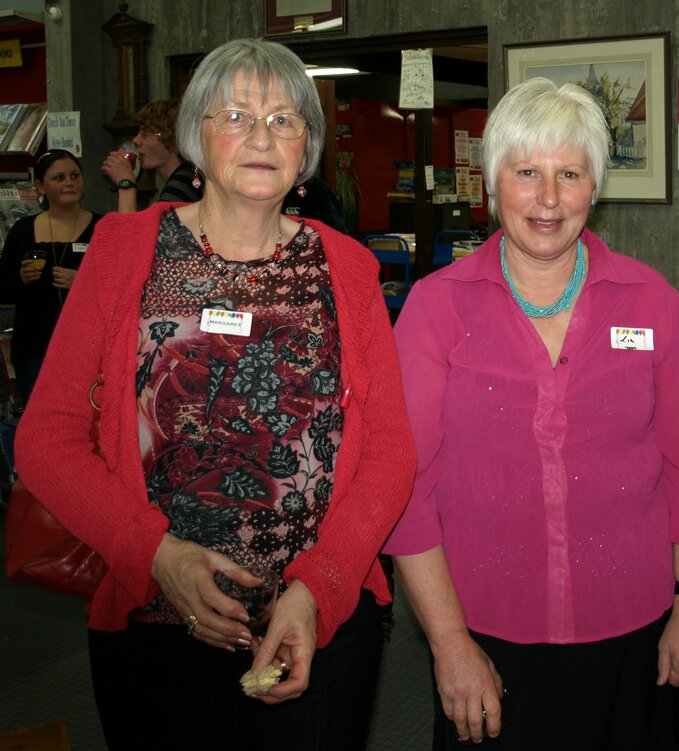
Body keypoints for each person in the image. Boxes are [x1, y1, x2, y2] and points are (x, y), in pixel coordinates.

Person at [16, 38, 416, 750]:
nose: (261, 136)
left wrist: (317, 588)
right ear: (194, 136)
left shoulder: (346, 266)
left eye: (285, 119)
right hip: (157, 623)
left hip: (316, 626)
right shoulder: (123, 248)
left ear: (307, 150)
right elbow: (45, 435)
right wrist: (157, 554)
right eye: (235, 115)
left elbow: (389, 451)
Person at [383, 76, 679, 750]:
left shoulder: (650, 303)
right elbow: (407, 489)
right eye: (526, 172)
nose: (547, 198)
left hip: (632, 631)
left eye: (569, 173)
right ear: (491, 181)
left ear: (595, 187)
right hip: (486, 634)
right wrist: (447, 644)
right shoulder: (436, 308)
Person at [0, 149, 102, 404]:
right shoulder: (23, 229)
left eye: (74, 176)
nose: (69, 183)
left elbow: (119, 287)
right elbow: (3, 289)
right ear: (40, 186)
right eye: (59, 178)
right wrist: (21, 280)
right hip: (34, 347)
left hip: (87, 346)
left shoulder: (103, 228)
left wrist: (82, 282)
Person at [100, 99, 204, 212]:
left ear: (173, 139)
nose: (136, 140)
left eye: (145, 133)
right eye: (139, 132)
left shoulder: (182, 184)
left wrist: (126, 183)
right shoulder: (188, 176)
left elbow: (129, 230)